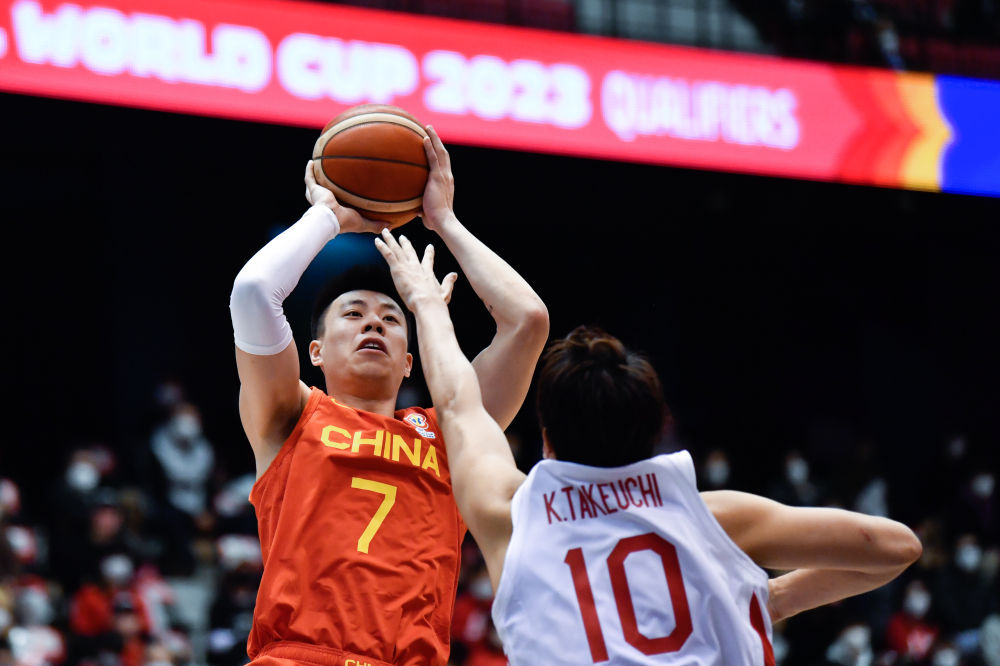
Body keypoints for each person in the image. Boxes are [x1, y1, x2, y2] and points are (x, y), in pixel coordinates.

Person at [374, 231, 923, 665]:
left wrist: (428, 303)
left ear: (546, 439)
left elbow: (458, 402)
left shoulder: (512, 517)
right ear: (655, 431)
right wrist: (773, 599)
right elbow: (895, 547)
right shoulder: (713, 519)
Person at [228, 125, 548, 666]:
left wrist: (444, 222)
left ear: (408, 362)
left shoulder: (450, 434)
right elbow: (254, 292)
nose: (373, 322)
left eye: (391, 318)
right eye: (353, 314)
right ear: (315, 352)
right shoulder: (291, 414)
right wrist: (328, 217)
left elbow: (528, 321)